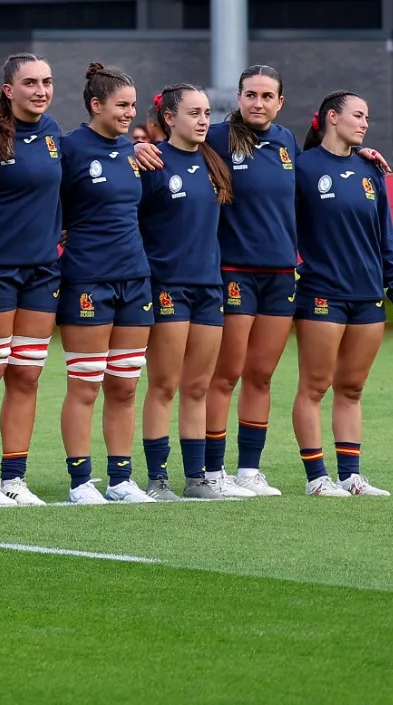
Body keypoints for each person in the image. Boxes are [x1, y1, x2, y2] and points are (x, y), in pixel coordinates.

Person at [290, 92, 393, 497]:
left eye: (367, 117)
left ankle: (351, 476)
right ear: (332, 117)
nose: (364, 123)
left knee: (352, 388)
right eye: (358, 115)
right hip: (321, 293)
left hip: (368, 294)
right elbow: (281, 224)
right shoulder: (302, 167)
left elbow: (385, 234)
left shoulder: (370, 169)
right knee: (315, 386)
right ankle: (316, 477)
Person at [0, 52, 63, 505]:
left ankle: (14, 479)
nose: (41, 91)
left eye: (46, 82)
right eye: (30, 83)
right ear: (9, 90)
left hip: (42, 271)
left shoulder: (55, 132)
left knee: (26, 376)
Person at [57, 62, 153, 504]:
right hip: (88, 280)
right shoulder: (69, 148)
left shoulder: (133, 151)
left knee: (125, 384)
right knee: (86, 383)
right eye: (122, 105)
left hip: (135, 279)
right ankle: (80, 481)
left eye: (133, 105)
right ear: (96, 105)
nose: (130, 113)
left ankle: (121, 480)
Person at [204, 66, 301, 497]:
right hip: (234, 272)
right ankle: (212, 471)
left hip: (280, 274)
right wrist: (140, 148)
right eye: (250, 95)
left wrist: (363, 153)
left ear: (280, 102)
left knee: (261, 376)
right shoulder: (216, 138)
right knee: (225, 375)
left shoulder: (287, 140)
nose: (257, 103)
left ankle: (249, 470)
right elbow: (171, 150)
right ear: (239, 98)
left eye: (266, 96)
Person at [137, 83, 231, 499]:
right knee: (164, 385)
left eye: (207, 113)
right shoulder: (152, 163)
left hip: (209, 288)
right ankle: (158, 479)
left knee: (197, 387)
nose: (203, 120)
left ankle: (197, 478)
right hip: (167, 287)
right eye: (194, 113)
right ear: (169, 118)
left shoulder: (214, 162)